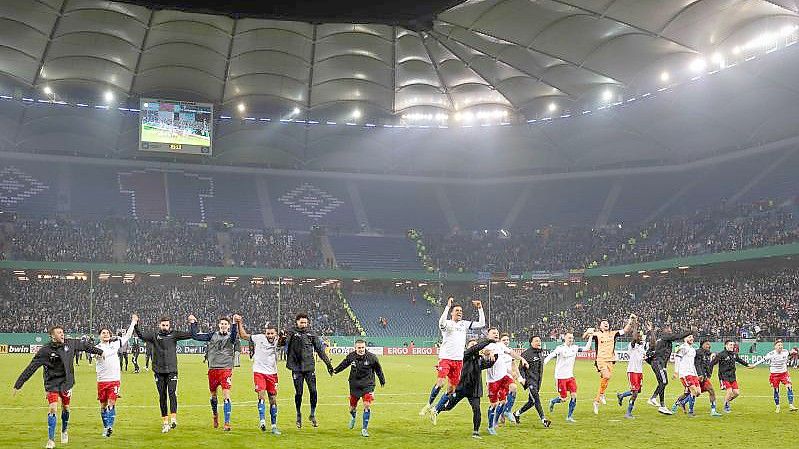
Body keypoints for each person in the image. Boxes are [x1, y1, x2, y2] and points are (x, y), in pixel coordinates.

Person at [13, 325, 105, 449]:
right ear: (52, 336)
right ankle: (51, 440)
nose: (62, 334)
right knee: (53, 409)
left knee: (65, 408)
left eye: (62, 332)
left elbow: (86, 346)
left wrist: (100, 351)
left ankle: (64, 430)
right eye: (59, 332)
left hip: (67, 382)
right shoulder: (45, 350)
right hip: (51, 383)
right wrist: (19, 384)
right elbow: (31, 367)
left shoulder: (71, 343)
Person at [420, 297, 485, 417]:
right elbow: (441, 323)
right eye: (457, 310)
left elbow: (481, 324)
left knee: (451, 389)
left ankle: (435, 410)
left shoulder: (464, 324)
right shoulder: (448, 324)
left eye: (461, 310)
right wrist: (447, 307)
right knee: (440, 382)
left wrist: (480, 308)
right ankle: (428, 404)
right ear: (452, 313)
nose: (459, 312)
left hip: (458, 360)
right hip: (446, 358)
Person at [134, 316, 193, 433]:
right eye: (163, 325)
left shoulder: (174, 334)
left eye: (166, 325)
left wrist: (192, 322)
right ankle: (165, 423)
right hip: (158, 370)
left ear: (169, 325)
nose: (165, 327)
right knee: (162, 396)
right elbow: (141, 336)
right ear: (159, 325)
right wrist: (136, 324)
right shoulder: (154, 336)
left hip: (172, 370)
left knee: (172, 394)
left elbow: (191, 334)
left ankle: (174, 419)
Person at [432, 336, 496, 439]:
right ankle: (436, 410)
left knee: (477, 409)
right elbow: (474, 349)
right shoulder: (463, 355)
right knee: (448, 407)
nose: (475, 346)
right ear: (467, 347)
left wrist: (493, 354)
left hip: (474, 390)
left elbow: (489, 364)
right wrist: (487, 343)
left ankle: (476, 432)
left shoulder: (479, 359)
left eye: (476, 344)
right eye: (472, 345)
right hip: (460, 387)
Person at [284, 313, 335, 428]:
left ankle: (312, 414)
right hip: (296, 368)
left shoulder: (311, 334)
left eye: (305, 323)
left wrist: (328, 365)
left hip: (309, 367)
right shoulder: (291, 332)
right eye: (301, 322)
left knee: (313, 391)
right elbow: (284, 343)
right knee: (299, 393)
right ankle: (298, 414)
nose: (303, 325)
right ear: (296, 322)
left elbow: (320, 350)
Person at [189, 315, 239, 431]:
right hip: (212, 370)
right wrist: (193, 323)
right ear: (219, 325)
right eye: (222, 324)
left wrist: (234, 323)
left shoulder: (231, 337)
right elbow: (196, 336)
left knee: (226, 395)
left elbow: (233, 337)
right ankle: (215, 415)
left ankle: (227, 423)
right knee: (213, 396)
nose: (223, 326)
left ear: (228, 326)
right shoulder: (212, 335)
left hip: (226, 369)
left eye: (225, 324)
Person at [234, 315, 282, 435]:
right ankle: (262, 421)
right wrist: (239, 322)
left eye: (272, 334)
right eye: (268, 333)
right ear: (265, 333)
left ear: (275, 334)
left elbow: (285, 342)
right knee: (261, 395)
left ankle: (274, 426)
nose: (270, 336)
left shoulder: (278, 341)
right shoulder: (258, 338)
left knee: (273, 399)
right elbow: (243, 336)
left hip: (272, 373)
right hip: (259, 372)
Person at [583, 314, 636, 414]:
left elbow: (625, 330)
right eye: (603, 323)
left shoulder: (613, 333)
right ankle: (600, 396)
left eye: (607, 323)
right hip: (601, 360)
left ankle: (597, 399)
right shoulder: (597, 334)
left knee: (606, 379)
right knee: (606, 376)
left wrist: (630, 321)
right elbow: (584, 337)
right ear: (600, 326)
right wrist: (587, 332)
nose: (606, 324)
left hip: (611, 360)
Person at [95, 315, 137, 437]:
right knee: (103, 406)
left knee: (111, 403)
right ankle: (105, 426)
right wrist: (98, 355)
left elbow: (128, 336)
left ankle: (109, 427)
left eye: (107, 333)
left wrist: (133, 322)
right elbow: (95, 356)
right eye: (103, 333)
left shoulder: (115, 344)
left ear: (110, 335)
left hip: (114, 380)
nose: (105, 334)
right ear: (99, 336)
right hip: (102, 380)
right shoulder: (96, 348)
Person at [333, 340, 386, 437]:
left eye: (362, 347)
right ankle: (353, 416)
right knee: (352, 408)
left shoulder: (372, 357)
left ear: (365, 347)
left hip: (368, 384)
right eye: (359, 348)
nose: (361, 349)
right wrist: (335, 370)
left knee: (367, 405)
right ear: (355, 348)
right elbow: (344, 364)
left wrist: (382, 380)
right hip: (354, 384)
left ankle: (364, 429)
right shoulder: (351, 356)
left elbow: (378, 370)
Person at [485, 330, 528, 434]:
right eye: (493, 333)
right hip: (492, 380)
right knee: (494, 404)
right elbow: (483, 351)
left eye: (497, 333)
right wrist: (489, 352)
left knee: (512, 388)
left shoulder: (500, 345)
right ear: (488, 335)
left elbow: (511, 353)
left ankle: (505, 414)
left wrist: (522, 359)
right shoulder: (487, 345)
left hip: (504, 377)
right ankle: (491, 426)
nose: (496, 334)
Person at [543, 333, 591, 423]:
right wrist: (544, 363)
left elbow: (586, 349)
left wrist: (591, 337)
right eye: (569, 338)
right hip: (560, 377)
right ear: (565, 338)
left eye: (572, 338)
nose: (571, 339)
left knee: (574, 396)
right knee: (563, 399)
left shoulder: (575, 347)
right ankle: (553, 401)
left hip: (570, 376)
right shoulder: (560, 348)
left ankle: (569, 416)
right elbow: (551, 355)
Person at [646, 323, 693, 415]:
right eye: (668, 328)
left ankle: (662, 406)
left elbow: (652, 345)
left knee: (662, 383)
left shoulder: (662, 339)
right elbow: (678, 336)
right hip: (658, 362)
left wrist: (651, 331)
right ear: (664, 331)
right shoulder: (665, 336)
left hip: (660, 364)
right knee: (664, 382)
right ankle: (653, 398)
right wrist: (690, 331)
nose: (670, 330)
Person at [513, 335, 552, 428]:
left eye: (539, 341)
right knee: (536, 398)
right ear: (531, 343)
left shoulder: (540, 353)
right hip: (530, 381)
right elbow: (521, 369)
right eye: (536, 341)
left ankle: (517, 413)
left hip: (538, 381)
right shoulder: (526, 354)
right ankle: (544, 420)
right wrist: (522, 379)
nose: (539, 342)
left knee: (532, 402)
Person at [750, 338, 797, 413]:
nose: (780, 346)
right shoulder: (771, 354)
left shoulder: (785, 352)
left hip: (784, 374)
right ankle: (777, 406)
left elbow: (791, 352)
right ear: (775, 346)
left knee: (789, 387)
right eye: (778, 345)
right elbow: (762, 360)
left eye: (781, 345)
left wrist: (793, 351)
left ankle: (791, 405)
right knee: (776, 390)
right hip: (774, 375)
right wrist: (754, 365)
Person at [710, 340, 749, 413]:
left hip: (732, 376)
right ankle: (726, 406)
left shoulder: (734, 354)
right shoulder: (721, 354)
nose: (732, 346)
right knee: (730, 392)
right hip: (724, 376)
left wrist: (748, 365)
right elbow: (713, 363)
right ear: (726, 345)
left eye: (733, 345)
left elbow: (740, 360)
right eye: (730, 345)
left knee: (737, 393)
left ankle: (727, 401)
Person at [616, 330, 646, 418]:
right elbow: (634, 340)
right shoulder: (632, 345)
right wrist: (635, 326)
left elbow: (643, 356)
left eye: (641, 337)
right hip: (632, 371)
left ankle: (621, 395)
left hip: (639, 372)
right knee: (635, 392)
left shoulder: (641, 347)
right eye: (639, 337)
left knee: (637, 391)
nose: (640, 338)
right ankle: (628, 412)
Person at [671, 334, 701, 416]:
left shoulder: (692, 349)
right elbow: (677, 359)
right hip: (684, 373)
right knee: (693, 391)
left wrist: (696, 374)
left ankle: (682, 402)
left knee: (698, 392)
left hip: (692, 373)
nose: (692, 338)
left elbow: (692, 363)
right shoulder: (683, 347)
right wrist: (676, 371)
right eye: (689, 337)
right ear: (685, 339)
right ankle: (691, 412)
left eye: (692, 337)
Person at [695, 339, 722, 416]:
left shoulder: (707, 353)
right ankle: (678, 404)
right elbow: (697, 364)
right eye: (707, 344)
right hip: (698, 377)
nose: (708, 346)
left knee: (711, 391)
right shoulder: (698, 352)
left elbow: (712, 363)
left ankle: (713, 411)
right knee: (692, 393)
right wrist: (700, 374)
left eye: (709, 344)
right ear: (702, 345)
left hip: (705, 377)